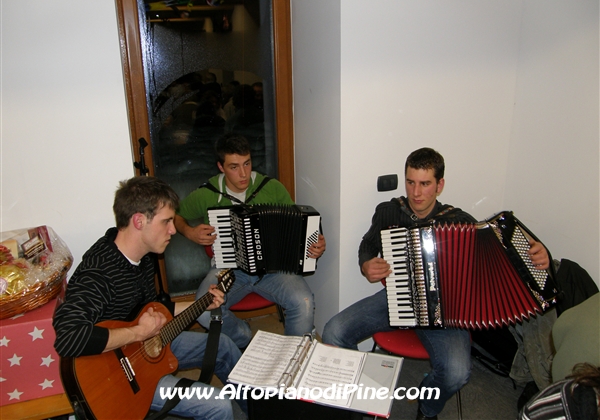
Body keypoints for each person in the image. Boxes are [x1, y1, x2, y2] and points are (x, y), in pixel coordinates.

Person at [322, 147, 551, 420]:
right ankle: (363, 395)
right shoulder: (389, 212)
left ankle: (427, 407)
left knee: (457, 372)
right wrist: (366, 264)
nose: (416, 193)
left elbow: (502, 260)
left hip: (446, 312)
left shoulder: (461, 222)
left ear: (439, 185)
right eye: (410, 182)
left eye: (425, 184)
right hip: (398, 297)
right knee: (333, 331)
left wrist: (538, 253)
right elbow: (368, 244)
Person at [53, 176, 243, 420]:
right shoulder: (99, 272)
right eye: (166, 222)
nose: (174, 230)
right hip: (119, 379)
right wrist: (138, 333)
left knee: (224, 346)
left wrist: (202, 304)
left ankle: (257, 411)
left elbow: (153, 310)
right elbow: (68, 338)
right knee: (218, 405)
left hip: (148, 345)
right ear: (139, 221)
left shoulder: (144, 255)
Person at [174, 133, 326, 349]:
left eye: (247, 163)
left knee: (304, 302)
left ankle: (293, 357)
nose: (243, 174)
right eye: (234, 167)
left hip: (274, 271)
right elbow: (175, 215)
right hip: (229, 271)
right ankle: (244, 340)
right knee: (203, 310)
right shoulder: (208, 194)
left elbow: (297, 227)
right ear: (221, 167)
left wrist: (315, 244)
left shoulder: (270, 187)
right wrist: (189, 232)